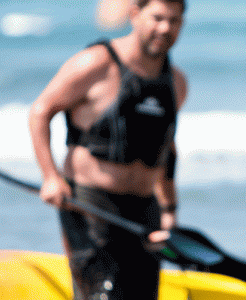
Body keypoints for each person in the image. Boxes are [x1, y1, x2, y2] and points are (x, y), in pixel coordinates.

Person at [28, 0, 187, 299]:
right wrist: (50, 177)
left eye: (174, 21)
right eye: (157, 18)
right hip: (90, 205)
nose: (165, 28)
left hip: (144, 210)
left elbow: (167, 148)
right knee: (103, 294)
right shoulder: (95, 63)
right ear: (135, 15)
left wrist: (169, 210)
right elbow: (40, 112)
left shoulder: (176, 82)